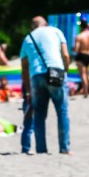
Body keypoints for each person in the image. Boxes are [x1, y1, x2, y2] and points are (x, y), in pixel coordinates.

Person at [20, 16, 71, 155]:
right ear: (46, 24)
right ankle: (64, 148)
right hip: (56, 72)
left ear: (32, 26)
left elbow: (24, 67)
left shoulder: (28, 38)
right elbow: (65, 55)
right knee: (62, 111)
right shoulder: (56, 31)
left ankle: (41, 149)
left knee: (39, 115)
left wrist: (28, 91)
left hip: (36, 75)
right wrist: (64, 71)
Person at [74, 18, 89, 98]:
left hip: (81, 55)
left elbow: (76, 50)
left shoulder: (79, 37)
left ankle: (86, 93)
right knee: (88, 74)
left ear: (80, 27)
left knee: (83, 75)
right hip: (88, 54)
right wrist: (87, 23)